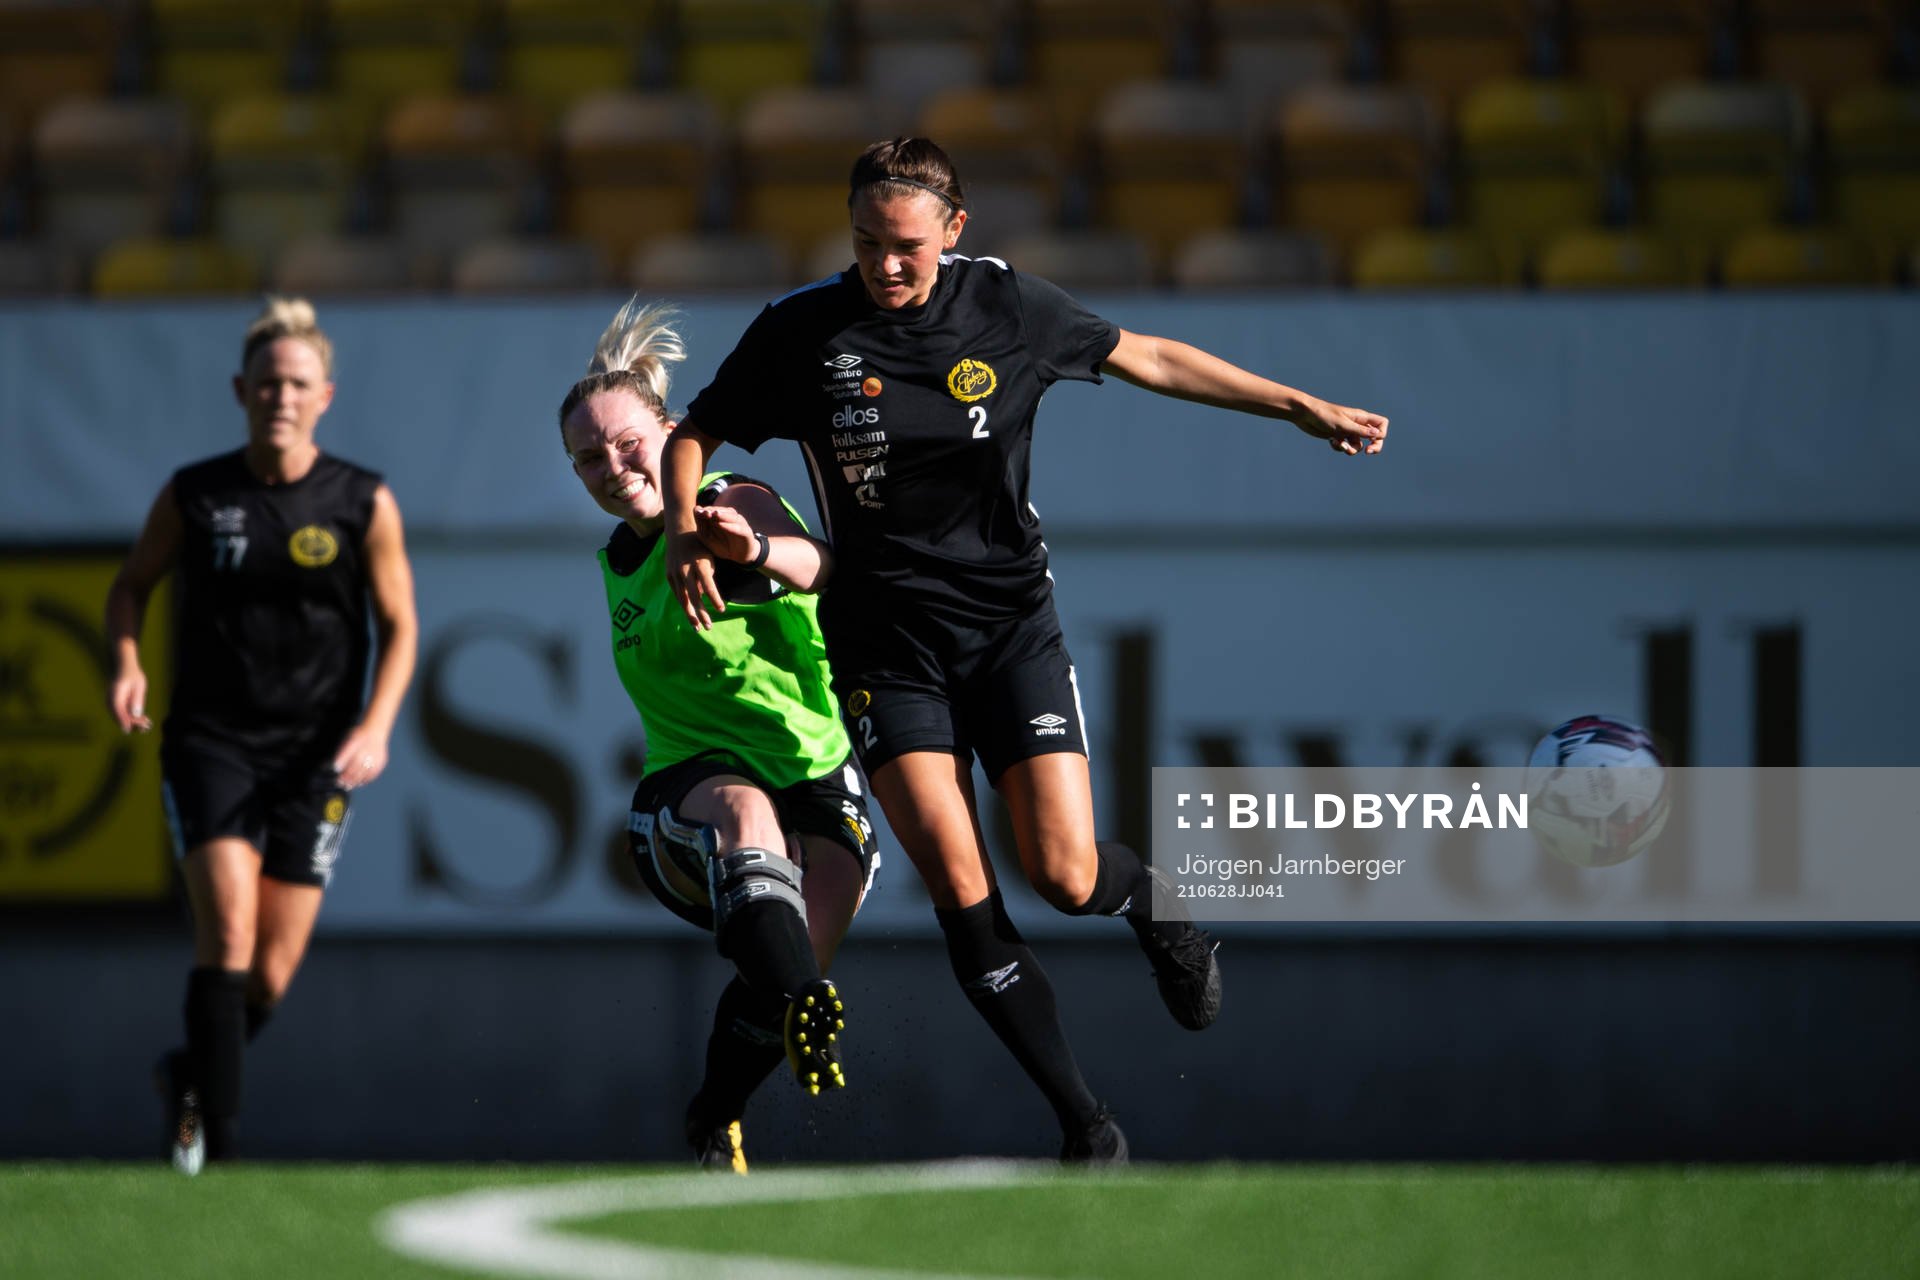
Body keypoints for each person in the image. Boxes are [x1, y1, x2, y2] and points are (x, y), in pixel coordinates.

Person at [661, 138, 1390, 1163]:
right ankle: (1087, 1125)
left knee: (1064, 870)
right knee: (962, 889)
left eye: (907, 245)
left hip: (1011, 634)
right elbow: (697, 429)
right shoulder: (802, 330)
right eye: (867, 242)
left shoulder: (1009, 308)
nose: (887, 264)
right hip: (883, 646)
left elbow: (1151, 356)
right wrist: (686, 529)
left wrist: (1296, 405)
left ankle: (1151, 902)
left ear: (954, 232)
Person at [560, 298, 877, 1173]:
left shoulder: (730, 500)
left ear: (671, 430)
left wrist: (756, 552)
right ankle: (802, 999)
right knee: (745, 819)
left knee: (790, 955)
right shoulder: (620, 563)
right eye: (587, 459)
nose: (612, 466)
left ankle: (716, 1114)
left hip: (815, 771)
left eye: (628, 444)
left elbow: (820, 568)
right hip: (687, 793)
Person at [105, 296, 419, 1175]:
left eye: (299, 383)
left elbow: (401, 628)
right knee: (229, 938)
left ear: (326, 396)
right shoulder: (196, 493)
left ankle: (191, 1075)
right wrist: (124, 660)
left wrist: (377, 725)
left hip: (315, 757)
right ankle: (226, 1159)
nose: (281, 396)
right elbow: (131, 587)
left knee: (269, 979)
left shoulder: (362, 500)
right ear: (240, 390)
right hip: (211, 744)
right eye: (268, 382)